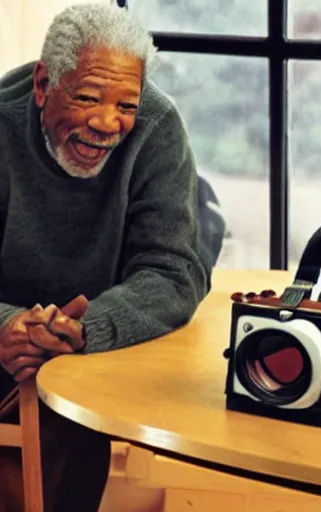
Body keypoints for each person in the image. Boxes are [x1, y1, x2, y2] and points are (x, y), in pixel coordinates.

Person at [0, 3, 211, 511]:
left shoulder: (157, 127)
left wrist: (87, 330)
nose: (107, 123)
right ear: (43, 84)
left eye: (126, 105)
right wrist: (5, 325)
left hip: (89, 341)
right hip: (9, 326)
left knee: (68, 432)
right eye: (88, 97)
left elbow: (173, 272)